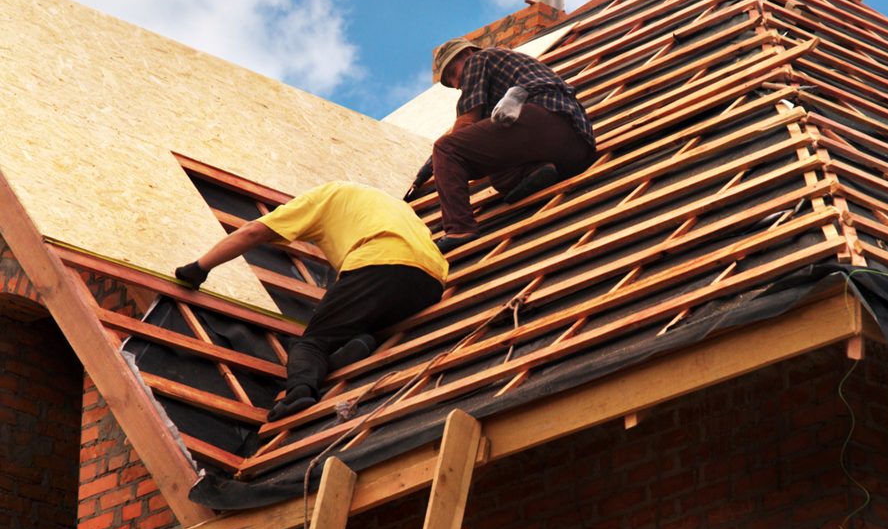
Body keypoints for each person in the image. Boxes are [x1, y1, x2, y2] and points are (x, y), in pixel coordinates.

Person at [175, 181, 447, 422]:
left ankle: (299, 393)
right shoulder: (385, 205)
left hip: (380, 262)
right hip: (432, 281)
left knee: (310, 344)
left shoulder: (322, 197)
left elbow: (252, 233)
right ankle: (358, 343)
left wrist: (199, 267)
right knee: (355, 323)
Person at [407, 38, 597, 251]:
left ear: (468, 53)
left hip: (541, 119)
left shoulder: (478, 59)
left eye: (453, 73)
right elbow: (482, 136)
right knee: (499, 177)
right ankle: (536, 171)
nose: (456, 83)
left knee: (446, 148)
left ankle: (459, 228)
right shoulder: (507, 67)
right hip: (578, 149)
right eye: (450, 82)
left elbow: (467, 121)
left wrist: (437, 159)